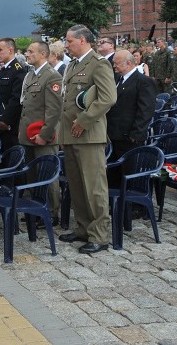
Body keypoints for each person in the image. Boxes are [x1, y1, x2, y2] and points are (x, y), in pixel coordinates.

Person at [59, 25, 117, 254]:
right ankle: (83, 228)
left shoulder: (99, 63)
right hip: (71, 135)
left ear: (82, 40)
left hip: (89, 135)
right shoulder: (73, 65)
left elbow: (107, 98)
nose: (66, 45)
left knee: (94, 188)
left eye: (69, 41)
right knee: (77, 185)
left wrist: (83, 121)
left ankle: (100, 235)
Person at [17, 40, 63, 223]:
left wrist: (44, 135)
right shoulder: (30, 76)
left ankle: (52, 212)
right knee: (32, 174)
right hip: (28, 135)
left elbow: (54, 111)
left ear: (43, 54)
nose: (27, 54)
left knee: (48, 175)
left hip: (43, 136)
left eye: (30, 51)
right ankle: (36, 208)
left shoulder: (52, 76)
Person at [107, 50, 156, 160]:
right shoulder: (118, 79)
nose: (114, 66)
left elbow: (146, 110)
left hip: (129, 137)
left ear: (128, 63)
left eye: (116, 63)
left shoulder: (143, 81)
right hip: (114, 134)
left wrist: (136, 135)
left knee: (127, 170)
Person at [0, 38, 27, 155]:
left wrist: (5, 120)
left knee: (10, 157)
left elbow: (16, 98)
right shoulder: (3, 70)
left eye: (0, 50)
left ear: (10, 50)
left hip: (9, 126)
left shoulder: (17, 70)